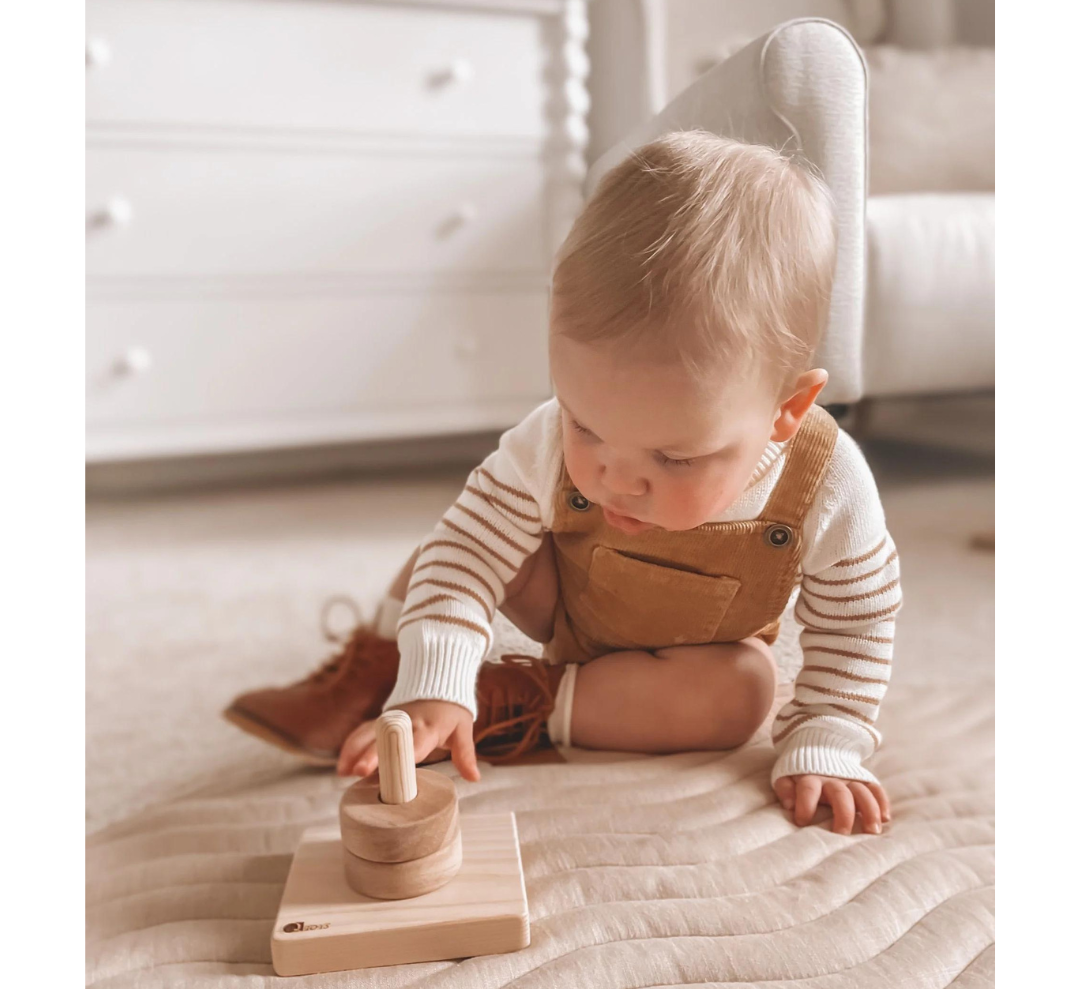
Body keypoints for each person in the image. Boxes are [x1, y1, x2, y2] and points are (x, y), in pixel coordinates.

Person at [226, 132, 900, 835]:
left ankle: (504, 700)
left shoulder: (826, 481)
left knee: (742, 692)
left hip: (686, 658)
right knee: (466, 538)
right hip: (561, 599)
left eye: (672, 458)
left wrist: (829, 734)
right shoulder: (547, 441)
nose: (613, 478)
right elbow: (465, 559)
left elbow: (859, 618)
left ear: (786, 411)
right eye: (586, 425)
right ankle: (390, 670)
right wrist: (434, 678)